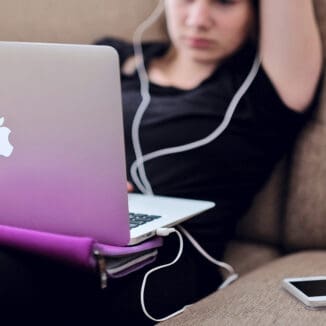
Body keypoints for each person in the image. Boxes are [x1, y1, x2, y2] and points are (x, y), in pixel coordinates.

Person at [0, 0, 323, 324]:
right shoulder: (108, 58)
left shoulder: (264, 86)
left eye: (224, 2)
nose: (198, 19)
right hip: (64, 227)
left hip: (165, 255)